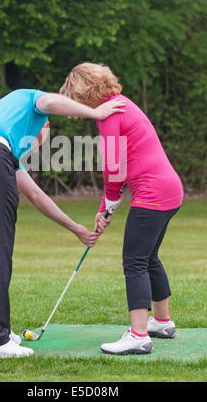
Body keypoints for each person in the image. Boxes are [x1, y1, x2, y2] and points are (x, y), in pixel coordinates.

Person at [0, 88, 125, 358]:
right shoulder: (30, 100)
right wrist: (95, 112)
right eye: (45, 133)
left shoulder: (3, 141)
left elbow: (35, 194)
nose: (42, 138)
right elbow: (52, 101)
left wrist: (75, 228)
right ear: (44, 122)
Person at [60, 62, 184, 355]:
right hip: (170, 190)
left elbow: (113, 165)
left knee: (135, 261)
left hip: (153, 193)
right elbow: (122, 165)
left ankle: (139, 335)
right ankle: (162, 322)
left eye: (77, 100)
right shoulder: (121, 103)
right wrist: (107, 206)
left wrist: (111, 200)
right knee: (149, 257)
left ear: (86, 92)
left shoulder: (108, 114)